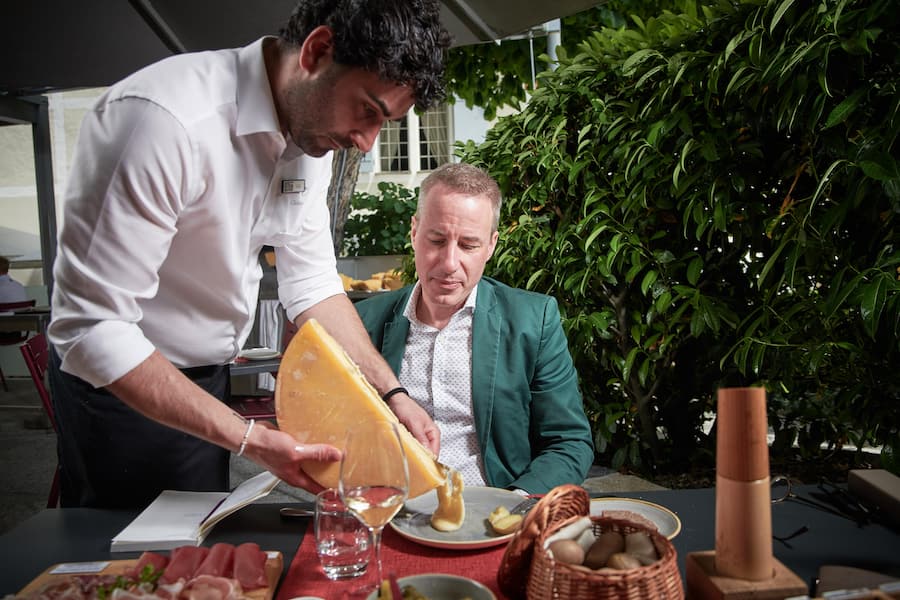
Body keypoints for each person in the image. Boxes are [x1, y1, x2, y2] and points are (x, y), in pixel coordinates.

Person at [47, 0, 452, 508]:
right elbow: (92, 328)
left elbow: (313, 287)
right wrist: (250, 440)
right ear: (318, 51)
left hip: (208, 381)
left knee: (194, 556)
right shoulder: (162, 120)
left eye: (384, 123)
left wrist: (392, 395)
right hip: (119, 390)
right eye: (367, 111)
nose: (366, 142)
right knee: (128, 566)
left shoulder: (315, 135)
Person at [355, 163, 595, 494]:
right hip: (391, 512)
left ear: (491, 246)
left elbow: (568, 442)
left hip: (498, 512)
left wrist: (515, 505)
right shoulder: (362, 322)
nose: (450, 263)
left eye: (468, 245)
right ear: (413, 232)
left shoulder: (533, 320)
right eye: (437, 240)